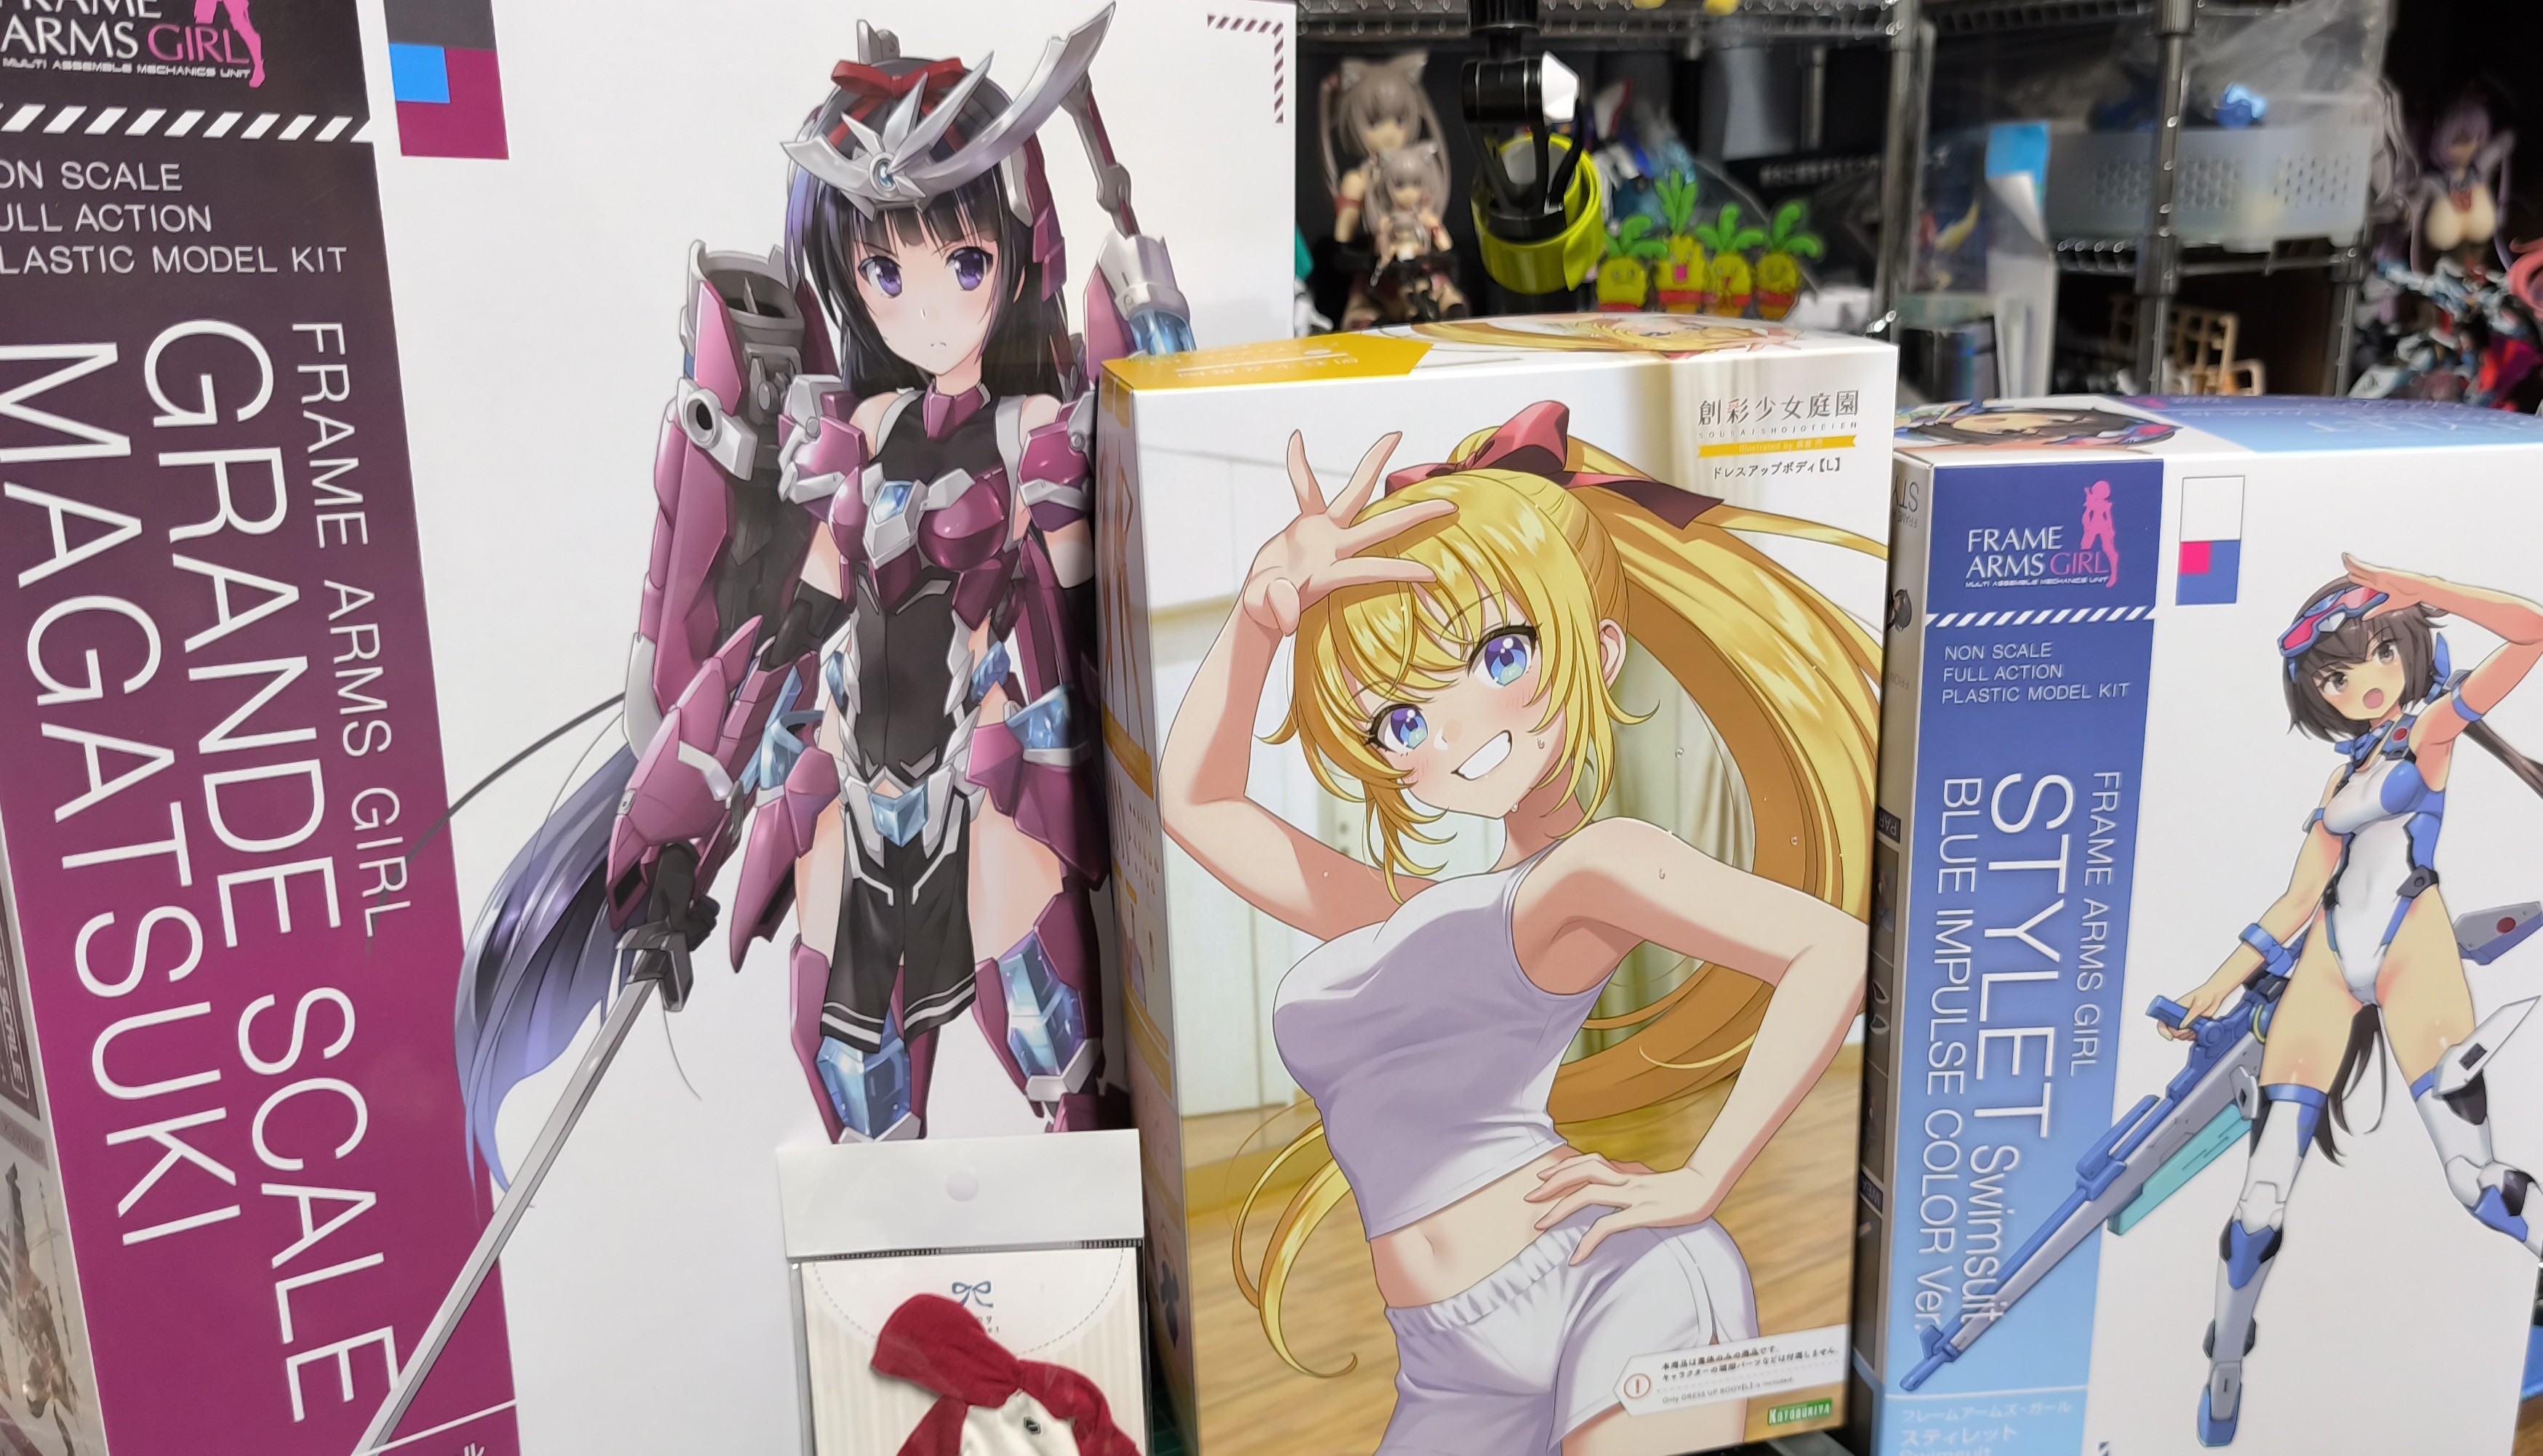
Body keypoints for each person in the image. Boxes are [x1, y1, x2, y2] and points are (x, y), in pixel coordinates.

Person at [1160, 403, 1875, 1454]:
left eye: (1499, 656)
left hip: (1609, 1283)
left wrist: (1701, 1176)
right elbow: (1198, 803)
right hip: (1442, 1355)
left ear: (1599, 651)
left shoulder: (1591, 869)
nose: (1452, 729)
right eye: (1402, 719)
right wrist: (1261, 618)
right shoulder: (1398, 907)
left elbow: (1835, 948)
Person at [2162, 557, 2543, 1445]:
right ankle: (2226, 1355)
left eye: (2380, 653)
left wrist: (2419, 587)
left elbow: (2531, 631)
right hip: (2329, 963)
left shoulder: (2434, 730)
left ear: (2408, 647)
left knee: (2478, 1183)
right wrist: (2211, 987)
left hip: (2414, 949)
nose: (2364, 681)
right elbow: (2297, 900)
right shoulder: (2340, 780)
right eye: (2336, 674)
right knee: (2259, 1202)